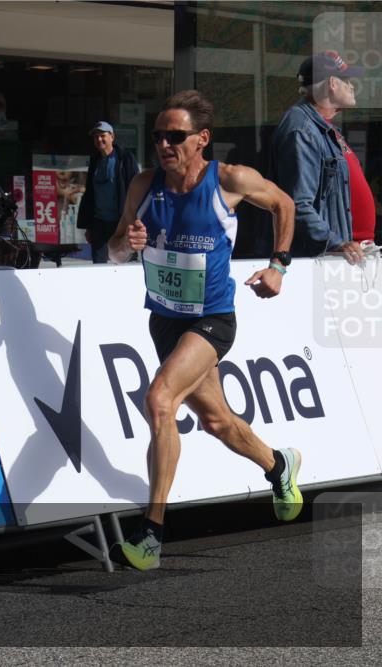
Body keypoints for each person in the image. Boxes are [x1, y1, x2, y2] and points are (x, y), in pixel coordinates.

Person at [107, 90, 300, 571]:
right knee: (217, 421)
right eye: (158, 136)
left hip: (212, 320)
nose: (165, 145)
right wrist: (125, 243)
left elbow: (284, 204)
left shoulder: (228, 180)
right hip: (166, 320)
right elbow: (113, 251)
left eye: (176, 136)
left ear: (202, 140)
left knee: (159, 400)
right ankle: (278, 466)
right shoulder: (143, 185)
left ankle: (151, 533)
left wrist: (278, 265)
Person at [270, 51, 371, 264]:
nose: (352, 86)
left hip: (344, 257)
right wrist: (334, 243)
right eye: (348, 81)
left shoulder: (322, 127)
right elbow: (297, 203)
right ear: (332, 83)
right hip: (325, 261)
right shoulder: (302, 129)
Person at [77, 121, 139, 263]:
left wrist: (133, 220)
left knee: (125, 262)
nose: (99, 139)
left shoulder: (125, 158)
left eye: (102, 135)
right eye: (96, 137)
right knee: (99, 263)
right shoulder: (95, 160)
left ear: (112, 137)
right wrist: (89, 227)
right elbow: (90, 194)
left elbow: (135, 190)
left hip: (121, 222)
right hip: (99, 223)